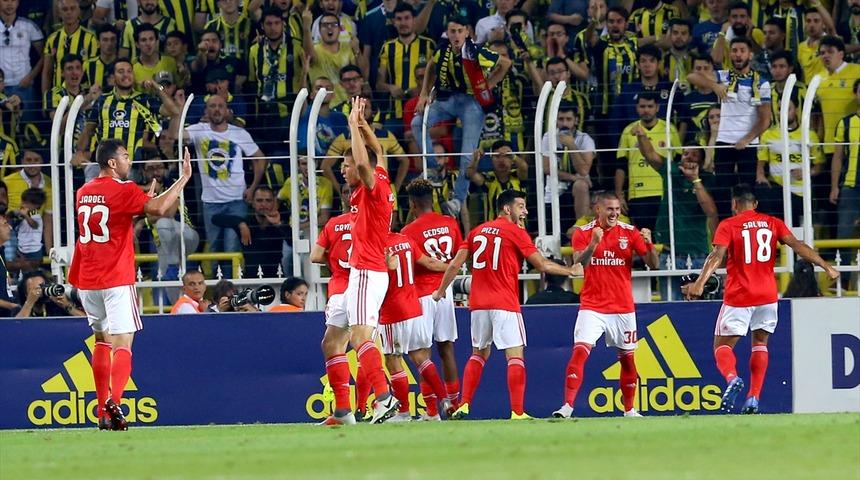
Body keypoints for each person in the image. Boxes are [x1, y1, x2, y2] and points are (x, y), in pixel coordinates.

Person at [68, 138, 192, 430]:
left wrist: (140, 202)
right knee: (123, 342)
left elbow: (115, 214)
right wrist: (183, 180)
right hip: (115, 277)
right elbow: (160, 209)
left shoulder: (83, 192)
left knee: (101, 340)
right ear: (112, 163)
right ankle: (117, 403)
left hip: (87, 278)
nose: (129, 161)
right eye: (125, 156)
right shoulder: (123, 189)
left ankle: (101, 410)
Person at [682, 184, 839, 414]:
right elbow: (798, 246)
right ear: (755, 204)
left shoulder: (729, 224)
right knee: (760, 343)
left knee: (721, 347)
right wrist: (826, 266)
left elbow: (717, 255)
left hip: (740, 295)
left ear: (734, 204)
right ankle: (753, 397)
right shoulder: (772, 223)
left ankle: (732, 378)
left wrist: (699, 282)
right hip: (767, 296)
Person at [433, 189, 583, 420]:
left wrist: (441, 291)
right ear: (506, 208)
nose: (525, 211)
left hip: (479, 305)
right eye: (521, 206)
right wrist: (570, 270)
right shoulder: (515, 233)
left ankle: (463, 404)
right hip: (504, 303)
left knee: (478, 355)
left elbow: (454, 265)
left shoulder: (476, 231)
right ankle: (517, 412)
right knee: (515, 356)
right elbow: (541, 265)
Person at [316, 97, 399, 426]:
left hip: (366, 270)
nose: (343, 169)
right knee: (331, 341)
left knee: (362, 336)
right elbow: (380, 156)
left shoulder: (372, 186)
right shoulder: (382, 180)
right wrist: (364, 126)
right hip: (359, 275)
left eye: (345, 165)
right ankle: (342, 412)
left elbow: (366, 163)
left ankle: (384, 398)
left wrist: (352, 126)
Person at [553, 191, 659, 419]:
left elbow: (653, 264)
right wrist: (594, 244)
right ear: (597, 209)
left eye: (617, 209)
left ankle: (629, 409)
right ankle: (567, 407)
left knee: (628, 360)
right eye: (610, 209)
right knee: (579, 353)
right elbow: (578, 265)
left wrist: (649, 245)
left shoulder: (629, 232)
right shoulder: (583, 233)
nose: (614, 213)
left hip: (622, 308)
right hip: (592, 306)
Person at [412, 15, 512, 217]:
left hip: (471, 103)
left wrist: (488, 85)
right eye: (452, 31)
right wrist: (423, 93)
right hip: (447, 100)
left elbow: (506, 64)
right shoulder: (444, 50)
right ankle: (433, 168)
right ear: (447, 34)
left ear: (467, 32)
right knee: (417, 123)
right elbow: (431, 65)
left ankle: (457, 200)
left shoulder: (476, 52)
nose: (456, 35)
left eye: (459, 31)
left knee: (467, 154)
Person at [183, 94, 268, 278]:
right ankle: (216, 290)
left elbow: (260, 159)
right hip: (210, 203)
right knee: (214, 249)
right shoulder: (199, 130)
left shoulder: (239, 133)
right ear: (206, 110)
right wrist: (177, 111)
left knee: (231, 246)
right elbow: (176, 135)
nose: (216, 110)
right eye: (212, 106)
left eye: (220, 106)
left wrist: (253, 188)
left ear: (227, 110)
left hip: (236, 200)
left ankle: (232, 291)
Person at [400, 178, 464, 419]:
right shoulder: (450, 223)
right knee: (447, 349)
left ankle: (431, 411)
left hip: (422, 294)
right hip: (444, 293)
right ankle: (455, 404)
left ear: (413, 204)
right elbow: (457, 257)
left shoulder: (408, 232)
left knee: (421, 353)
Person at [688, 36, 772, 218]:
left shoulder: (761, 83)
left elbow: (765, 120)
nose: (738, 54)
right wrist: (715, 86)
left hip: (747, 144)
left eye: (742, 50)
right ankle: (726, 231)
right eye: (734, 51)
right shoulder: (724, 76)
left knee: (748, 190)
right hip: (724, 142)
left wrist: (747, 139)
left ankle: (748, 227)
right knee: (722, 190)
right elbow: (692, 76)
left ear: (750, 55)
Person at [379, 229, 451, 422]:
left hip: (392, 309)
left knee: (393, 360)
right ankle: (444, 399)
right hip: (414, 306)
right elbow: (428, 262)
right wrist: (452, 267)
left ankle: (403, 412)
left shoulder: (377, 244)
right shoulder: (406, 240)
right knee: (420, 356)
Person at [830, 80, 860, 288]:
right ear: (855, 94)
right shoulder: (846, 123)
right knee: (844, 233)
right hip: (850, 185)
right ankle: (844, 281)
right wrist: (834, 186)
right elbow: (838, 157)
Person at [15, 269, 86, 318]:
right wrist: (29, 303)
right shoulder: (19, 309)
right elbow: (16, 327)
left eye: (43, 286)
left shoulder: (55, 306)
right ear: (26, 293)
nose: (41, 290)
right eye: (35, 288)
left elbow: (87, 323)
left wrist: (67, 306)